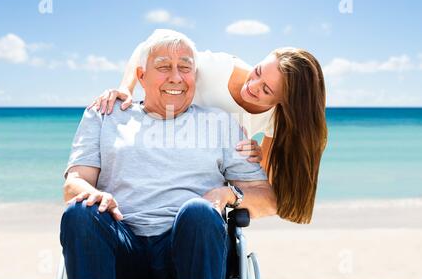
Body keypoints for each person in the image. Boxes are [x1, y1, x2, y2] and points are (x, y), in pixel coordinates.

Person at [61, 30, 277, 279]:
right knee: (80, 211)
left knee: (199, 211)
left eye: (185, 68)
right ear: (141, 76)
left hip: (187, 248)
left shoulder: (221, 124)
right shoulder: (104, 115)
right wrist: (91, 193)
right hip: (120, 242)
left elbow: (267, 200)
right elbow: (74, 182)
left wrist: (229, 194)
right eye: (163, 67)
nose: (176, 77)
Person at [89, 29, 328, 224]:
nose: (252, 85)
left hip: (202, 174)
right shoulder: (217, 68)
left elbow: (259, 188)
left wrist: (252, 158)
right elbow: (147, 50)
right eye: (257, 72)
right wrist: (126, 88)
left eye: (266, 90)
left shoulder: (276, 119)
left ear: (283, 103)